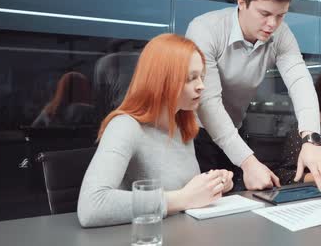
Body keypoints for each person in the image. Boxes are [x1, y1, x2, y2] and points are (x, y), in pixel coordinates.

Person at [186, 0, 321, 191]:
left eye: (281, 15)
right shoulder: (206, 30)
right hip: (193, 133)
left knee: (244, 201)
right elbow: (208, 104)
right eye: (264, 13)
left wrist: (311, 139)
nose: (272, 24)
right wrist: (248, 162)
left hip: (234, 129)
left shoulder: (281, 34)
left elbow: (300, 83)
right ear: (242, 3)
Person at [77, 34, 233, 228]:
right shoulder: (124, 126)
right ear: (162, 80)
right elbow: (91, 207)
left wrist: (212, 185)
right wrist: (182, 199)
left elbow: (185, 193)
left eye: (201, 77)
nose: (201, 86)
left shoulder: (182, 124)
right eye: (191, 78)